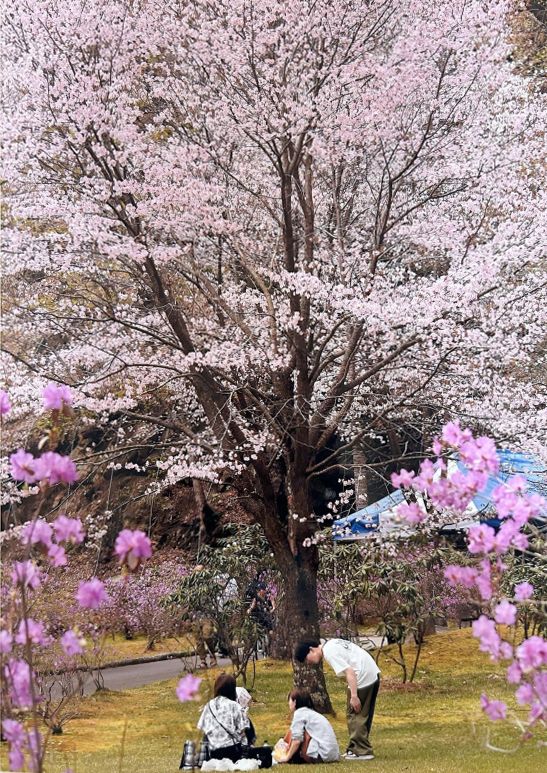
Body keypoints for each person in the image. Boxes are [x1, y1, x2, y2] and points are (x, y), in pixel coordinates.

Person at [294, 639, 380, 761]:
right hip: (370, 671)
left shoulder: (329, 652)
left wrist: (354, 696)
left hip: (362, 676)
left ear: (311, 650)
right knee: (360, 713)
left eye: (307, 659)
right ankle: (354, 749)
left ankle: (362, 751)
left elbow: (350, 672)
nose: (309, 663)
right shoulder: (331, 643)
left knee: (355, 714)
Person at [197, 674, 250, 762]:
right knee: (247, 725)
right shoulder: (235, 706)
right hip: (231, 752)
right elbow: (242, 731)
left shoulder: (209, 705)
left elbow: (203, 730)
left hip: (213, 752)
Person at [278, 689, 339, 764]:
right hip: (332, 755)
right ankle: (282, 752)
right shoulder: (312, 714)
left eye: (289, 700)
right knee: (296, 731)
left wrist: (287, 757)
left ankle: (281, 753)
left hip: (320, 755)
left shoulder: (299, 713)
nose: (289, 703)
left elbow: (297, 740)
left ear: (295, 702)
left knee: (293, 732)